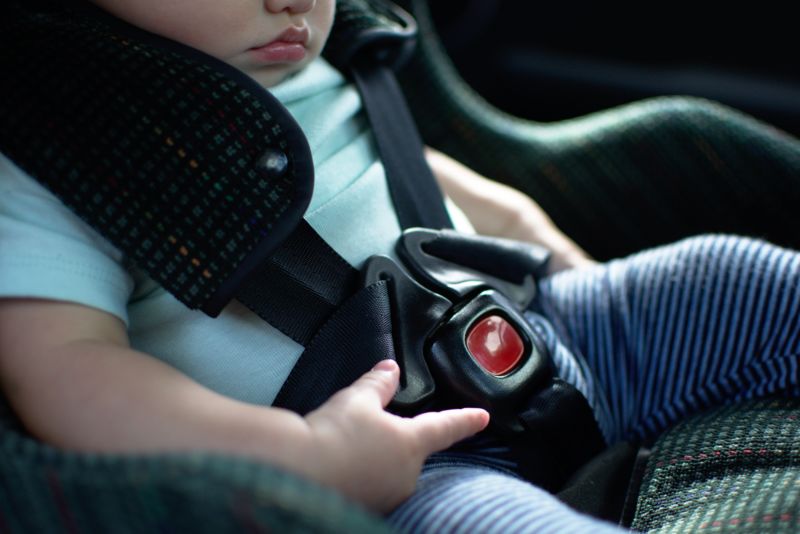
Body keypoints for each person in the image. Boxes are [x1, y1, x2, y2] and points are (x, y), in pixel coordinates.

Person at [0, 0, 798, 532]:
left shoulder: (307, 54)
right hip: (393, 467)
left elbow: (409, 166)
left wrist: (540, 242)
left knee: (742, 280)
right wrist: (301, 459)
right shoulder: (56, 154)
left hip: (538, 327)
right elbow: (66, 373)